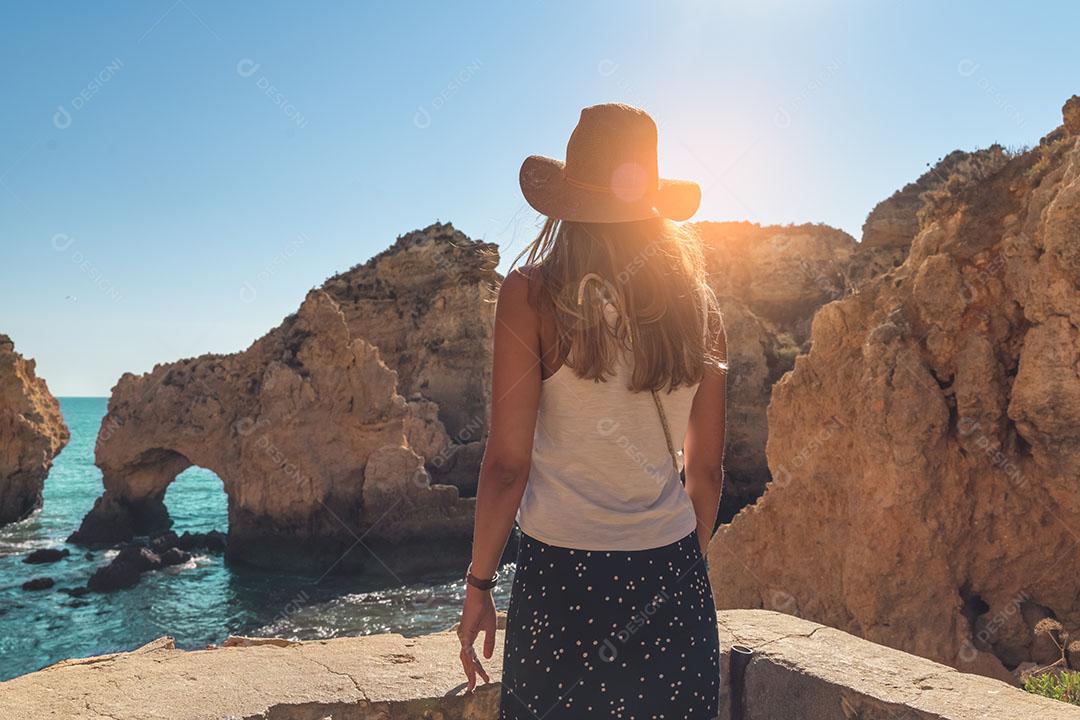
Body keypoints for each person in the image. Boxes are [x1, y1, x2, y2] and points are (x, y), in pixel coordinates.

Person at [458, 103, 727, 719]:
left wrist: (479, 584)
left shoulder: (531, 295)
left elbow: (506, 466)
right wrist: (678, 562)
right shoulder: (701, 307)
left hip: (562, 580)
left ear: (568, 204)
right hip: (674, 580)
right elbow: (706, 471)